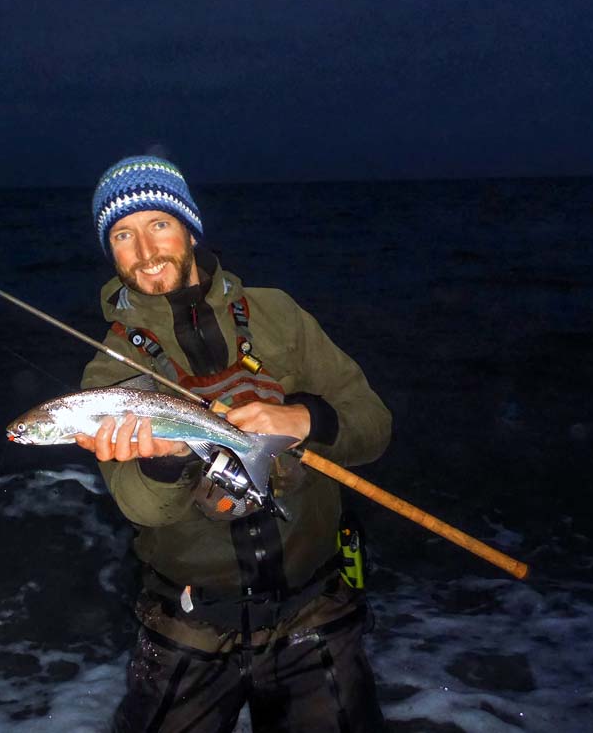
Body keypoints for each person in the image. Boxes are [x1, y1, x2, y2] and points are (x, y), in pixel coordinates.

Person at [76, 155, 392, 733]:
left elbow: (373, 425)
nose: (145, 251)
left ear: (190, 228)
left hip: (316, 608)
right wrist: (166, 461)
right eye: (123, 235)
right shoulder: (109, 371)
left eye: (159, 225)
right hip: (188, 621)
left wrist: (302, 418)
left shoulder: (278, 314)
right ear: (110, 251)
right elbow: (139, 508)